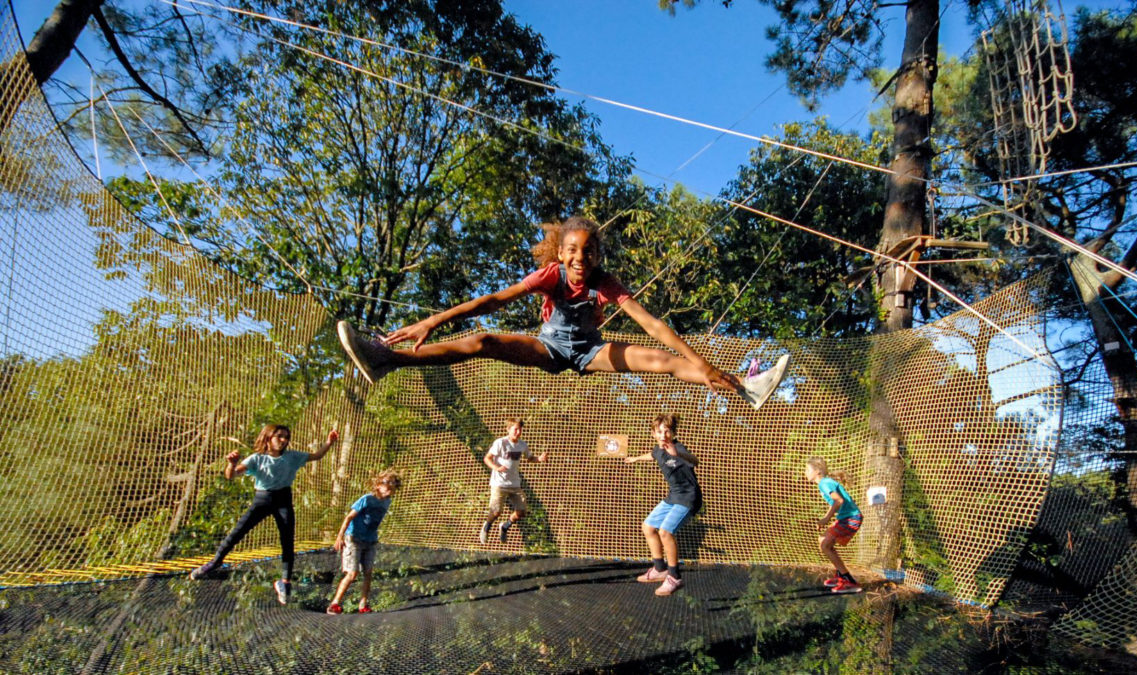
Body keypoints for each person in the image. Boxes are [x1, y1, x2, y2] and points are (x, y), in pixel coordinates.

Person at [336, 216, 790, 409]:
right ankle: (385, 358)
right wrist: (434, 319)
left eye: (588, 252)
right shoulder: (550, 275)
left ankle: (743, 386)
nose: (579, 259)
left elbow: (650, 324)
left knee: (665, 361)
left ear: (597, 256)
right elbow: (492, 301)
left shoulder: (605, 283)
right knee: (485, 341)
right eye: (572, 250)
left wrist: (703, 362)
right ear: (561, 250)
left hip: (591, 352)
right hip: (550, 348)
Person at [189, 423, 339, 606]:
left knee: (287, 540)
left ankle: (285, 583)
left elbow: (317, 456)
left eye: (286, 437)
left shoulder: (292, 457)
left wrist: (329, 442)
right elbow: (231, 475)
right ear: (269, 438)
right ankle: (215, 562)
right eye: (279, 436)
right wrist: (231, 463)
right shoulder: (256, 459)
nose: (283, 440)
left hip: (283, 499)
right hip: (263, 499)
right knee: (237, 532)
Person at [625, 413, 701, 597]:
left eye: (667, 431)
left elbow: (695, 460)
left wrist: (678, 454)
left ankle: (674, 577)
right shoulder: (657, 450)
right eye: (659, 431)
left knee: (665, 532)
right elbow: (652, 455)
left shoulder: (678, 448)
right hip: (673, 496)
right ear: (653, 434)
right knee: (648, 527)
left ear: (673, 433)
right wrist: (635, 458)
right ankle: (660, 569)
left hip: (689, 497)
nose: (663, 435)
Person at [327, 469, 401, 615]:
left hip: (370, 540)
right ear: (379, 485)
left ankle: (363, 604)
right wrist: (340, 536)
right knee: (352, 573)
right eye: (387, 484)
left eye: (393, 485)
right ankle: (335, 603)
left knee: (368, 572)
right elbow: (349, 517)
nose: (390, 488)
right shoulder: (367, 499)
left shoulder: (387, 502)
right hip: (354, 539)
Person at [479, 418, 547, 545]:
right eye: (515, 429)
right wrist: (496, 467)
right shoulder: (500, 443)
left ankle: (505, 526)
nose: (518, 432)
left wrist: (539, 459)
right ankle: (487, 526)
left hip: (515, 484)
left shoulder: (522, 445)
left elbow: (530, 458)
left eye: (520, 429)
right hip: (499, 484)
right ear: (508, 429)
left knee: (521, 512)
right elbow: (487, 458)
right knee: (496, 511)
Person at [804, 456, 863, 594]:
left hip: (851, 518)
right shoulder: (824, 483)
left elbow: (839, 501)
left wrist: (826, 518)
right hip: (846, 517)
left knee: (825, 544)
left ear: (817, 471)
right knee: (823, 542)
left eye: (807, 469)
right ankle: (841, 575)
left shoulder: (824, 483)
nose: (805, 473)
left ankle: (849, 581)